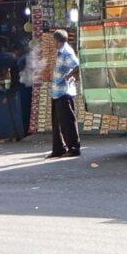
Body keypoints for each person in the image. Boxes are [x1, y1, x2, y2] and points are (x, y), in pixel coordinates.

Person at [47, 29, 81, 159]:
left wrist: (71, 76)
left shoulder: (67, 53)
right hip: (56, 92)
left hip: (64, 92)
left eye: (53, 40)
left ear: (57, 41)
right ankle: (58, 149)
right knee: (56, 123)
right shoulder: (60, 52)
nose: (52, 42)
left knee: (67, 122)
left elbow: (77, 66)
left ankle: (73, 148)